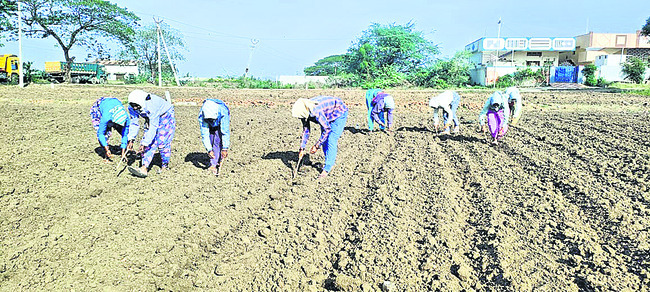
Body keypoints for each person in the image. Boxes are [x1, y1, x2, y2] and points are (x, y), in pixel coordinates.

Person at [292, 96, 349, 179]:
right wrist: (302, 148)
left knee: (331, 139)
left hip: (338, 112)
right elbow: (306, 130)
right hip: (327, 114)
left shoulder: (316, 111)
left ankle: (328, 168)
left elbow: (327, 129)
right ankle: (328, 162)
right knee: (324, 140)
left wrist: (316, 146)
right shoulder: (305, 112)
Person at [126, 89, 176, 177]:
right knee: (149, 143)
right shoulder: (131, 107)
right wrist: (131, 139)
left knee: (162, 141)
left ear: (141, 102)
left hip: (165, 115)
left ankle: (165, 165)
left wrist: (144, 143)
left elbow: (153, 126)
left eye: (136, 106)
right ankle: (144, 168)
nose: (134, 108)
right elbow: (134, 123)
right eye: (132, 105)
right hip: (151, 118)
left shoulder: (151, 106)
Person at [90, 97, 130, 161]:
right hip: (99, 107)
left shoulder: (126, 118)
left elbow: (125, 134)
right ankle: (105, 152)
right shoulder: (106, 117)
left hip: (113, 102)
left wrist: (123, 153)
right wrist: (107, 149)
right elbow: (100, 133)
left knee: (124, 131)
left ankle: (127, 147)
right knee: (106, 133)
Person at [198, 99, 231, 176]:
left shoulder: (223, 112)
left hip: (220, 120)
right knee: (210, 137)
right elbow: (205, 134)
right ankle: (213, 158)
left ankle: (214, 163)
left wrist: (225, 148)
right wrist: (209, 150)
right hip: (209, 120)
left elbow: (225, 132)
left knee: (217, 139)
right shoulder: (202, 115)